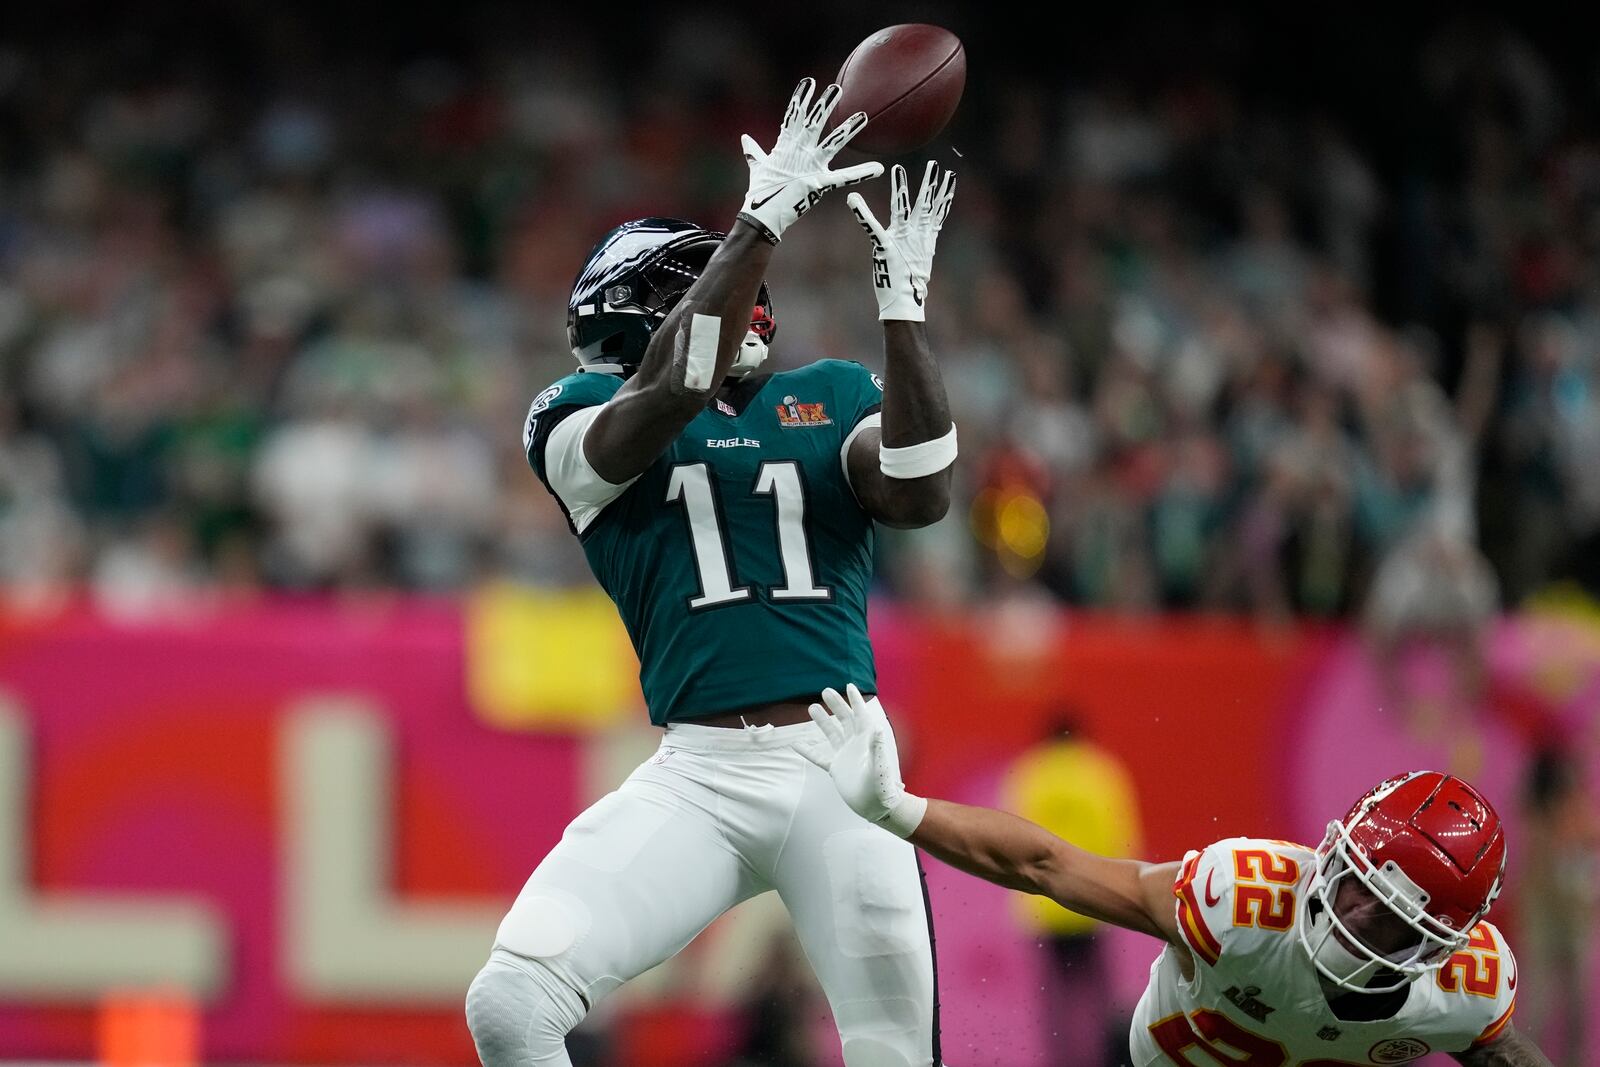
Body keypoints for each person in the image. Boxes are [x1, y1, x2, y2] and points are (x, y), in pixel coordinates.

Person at [465, 79, 961, 1067]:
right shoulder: (571, 415)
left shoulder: (827, 394)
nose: (605, 356)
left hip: (842, 768)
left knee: (895, 1054)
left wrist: (902, 312)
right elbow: (675, 383)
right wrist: (762, 216)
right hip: (702, 771)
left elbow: (918, 488)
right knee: (511, 1002)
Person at [804, 685, 1557, 1066]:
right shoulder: (1246, 899)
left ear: (1440, 944)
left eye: (1387, 913)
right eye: (1353, 878)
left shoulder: (1470, 986)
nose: (1349, 911)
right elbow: (1048, 862)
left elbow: (1499, 1052)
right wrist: (902, 810)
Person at [1001, 715, 1142, 1065]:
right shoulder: (1099, 770)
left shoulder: (1032, 773)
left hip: (1046, 901)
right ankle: (1109, 1057)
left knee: (1055, 997)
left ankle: (1061, 1059)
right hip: (1093, 897)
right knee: (1100, 993)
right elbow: (1121, 833)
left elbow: (1011, 836)